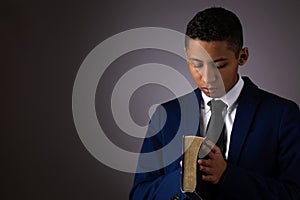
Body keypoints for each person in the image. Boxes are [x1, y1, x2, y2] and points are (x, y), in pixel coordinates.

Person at [129, 7, 300, 200]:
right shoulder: (165, 115)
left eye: (219, 66)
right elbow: (139, 195)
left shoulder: (282, 115)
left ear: (242, 57)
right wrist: (183, 179)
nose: (208, 78)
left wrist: (228, 175)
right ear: (186, 56)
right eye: (197, 65)